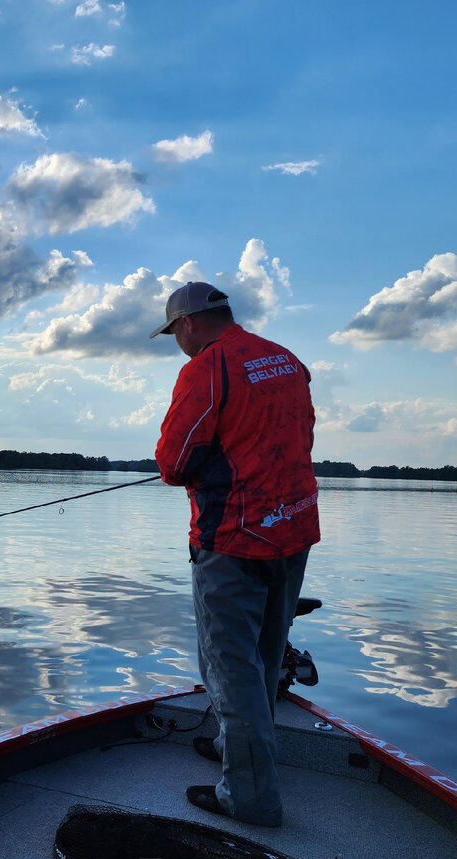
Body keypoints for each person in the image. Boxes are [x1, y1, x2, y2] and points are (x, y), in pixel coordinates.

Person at [151, 281, 320, 827]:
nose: (177, 341)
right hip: (293, 531)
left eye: (174, 331)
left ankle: (248, 799)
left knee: (230, 669)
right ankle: (234, 749)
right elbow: (299, 435)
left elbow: (174, 460)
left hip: (234, 539)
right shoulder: (286, 360)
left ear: (189, 324)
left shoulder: (207, 367)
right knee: (267, 657)